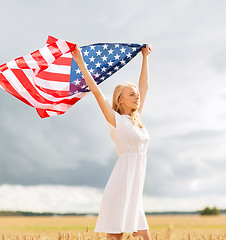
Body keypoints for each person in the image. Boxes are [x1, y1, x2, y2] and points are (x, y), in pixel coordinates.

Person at [71, 44, 152, 240]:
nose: (137, 96)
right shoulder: (117, 120)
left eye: (136, 94)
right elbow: (97, 93)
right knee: (114, 237)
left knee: (145, 236)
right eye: (131, 94)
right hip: (121, 185)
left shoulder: (136, 119)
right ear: (121, 100)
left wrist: (144, 57)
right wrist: (80, 63)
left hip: (135, 190)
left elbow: (144, 87)